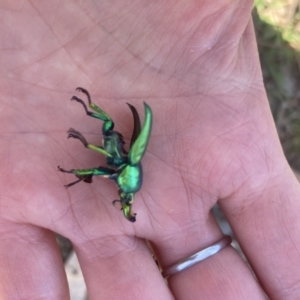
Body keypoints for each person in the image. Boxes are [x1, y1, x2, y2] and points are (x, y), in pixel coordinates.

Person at [1, 1, 299, 299]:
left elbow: (105, 172)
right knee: (104, 138)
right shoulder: (125, 173)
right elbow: (106, 167)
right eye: (126, 199)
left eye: (123, 199)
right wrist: (84, 144)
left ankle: (87, 117)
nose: (123, 199)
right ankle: (88, 107)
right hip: (119, 155)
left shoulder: (124, 180)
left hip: (119, 160)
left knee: (99, 160)